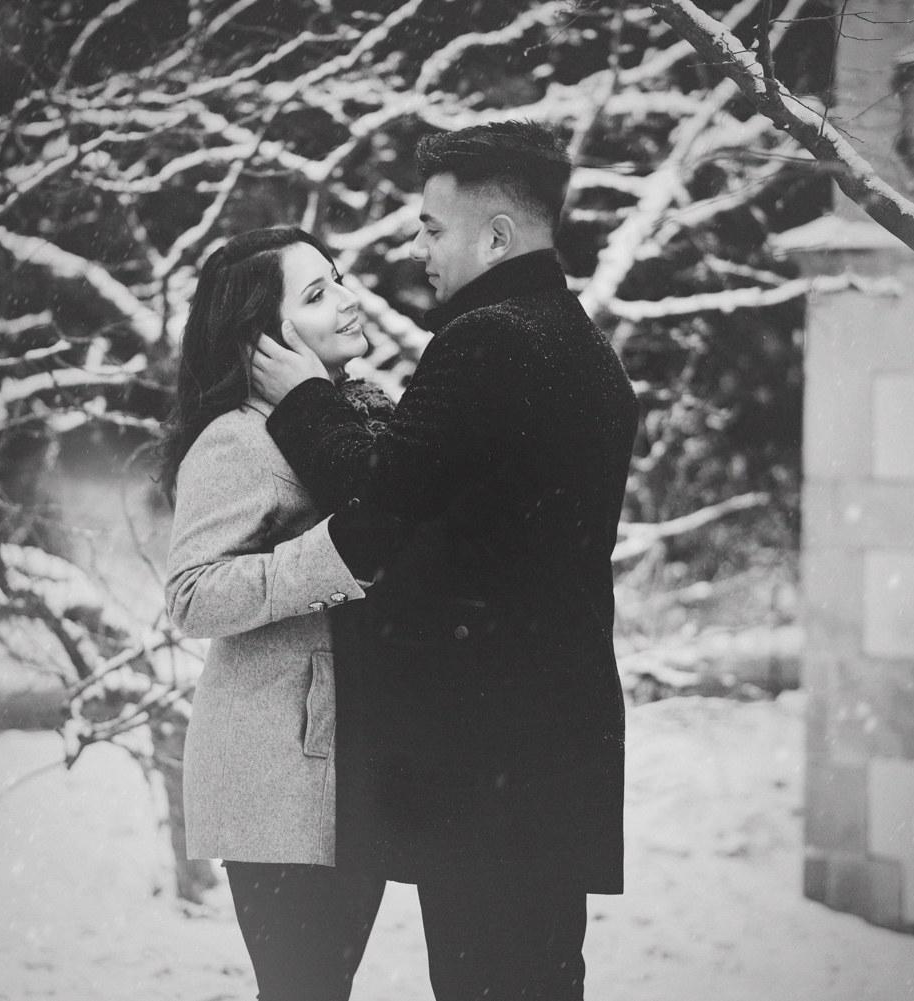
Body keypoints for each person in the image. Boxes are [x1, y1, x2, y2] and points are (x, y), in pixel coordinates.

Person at [251, 121, 640, 1001]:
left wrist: (305, 397)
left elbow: (378, 498)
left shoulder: (490, 340)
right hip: (547, 756)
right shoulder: (578, 345)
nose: (415, 245)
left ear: (495, 236)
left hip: (488, 772)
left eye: (431, 227)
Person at [160, 227, 392, 1001]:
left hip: (342, 767)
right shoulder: (238, 440)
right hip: (277, 772)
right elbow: (191, 594)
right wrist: (331, 556)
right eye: (317, 294)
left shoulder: (347, 419)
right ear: (263, 338)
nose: (348, 301)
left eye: (339, 279)